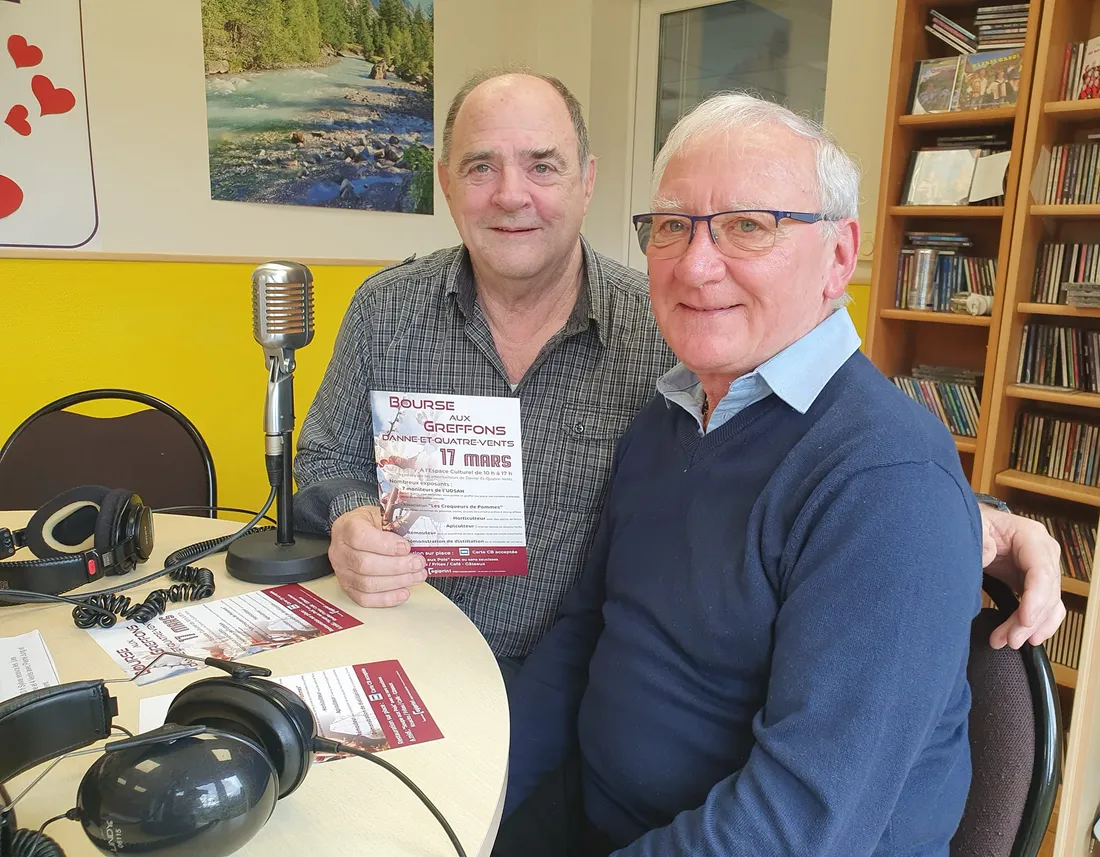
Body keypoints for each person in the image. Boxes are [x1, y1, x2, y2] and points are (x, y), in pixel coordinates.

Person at [293, 70, 1065, 675]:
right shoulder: (384, 310)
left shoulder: (675, 324)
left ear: (587, 181)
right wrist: (351, 515)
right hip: (401, 647)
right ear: (446, 183)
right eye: (480, 167)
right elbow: (325, 455)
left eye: (542, 165)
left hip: (569, 679)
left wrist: (976, 516)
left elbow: (812, 434)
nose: (511, 194)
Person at [495, 92, 997, 857]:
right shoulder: (667, 417)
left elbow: (796, 826)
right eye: (673, 225)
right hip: (595, 812)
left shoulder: (889, 481)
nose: (696, 265)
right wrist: (480, 792)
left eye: (748, 226)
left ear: (838, 257)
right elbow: (583, 631)